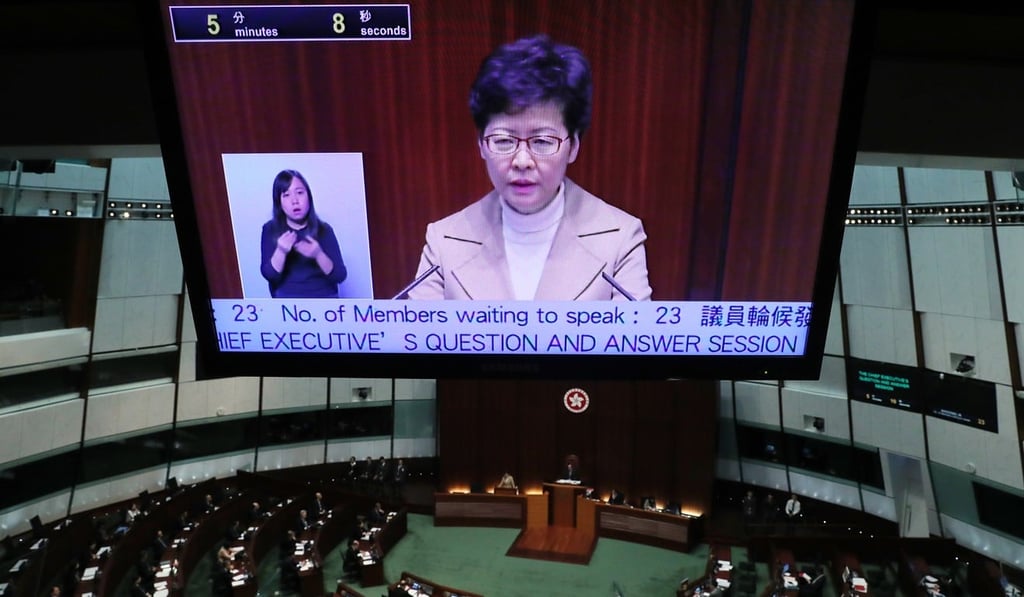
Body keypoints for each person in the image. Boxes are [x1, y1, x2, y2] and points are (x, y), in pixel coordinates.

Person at [407, 34, 651, 301]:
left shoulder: (620, 239)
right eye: (503, 141)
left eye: (543, 141)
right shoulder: (444, 241)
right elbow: (419, 340)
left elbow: (636, 341)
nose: (522, 161)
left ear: (573, 147)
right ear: (481, 145)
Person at [259, 169, 347, 298]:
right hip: (287, 302)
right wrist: (281, 251)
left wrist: (318, 254)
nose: (294, 200)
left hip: (324, 298)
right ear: (279, 202)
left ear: (309, 197)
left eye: (300, 193)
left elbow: (340, 276)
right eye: (286, 195)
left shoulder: (324, 230)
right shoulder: (270, 229)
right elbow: (270, 276)